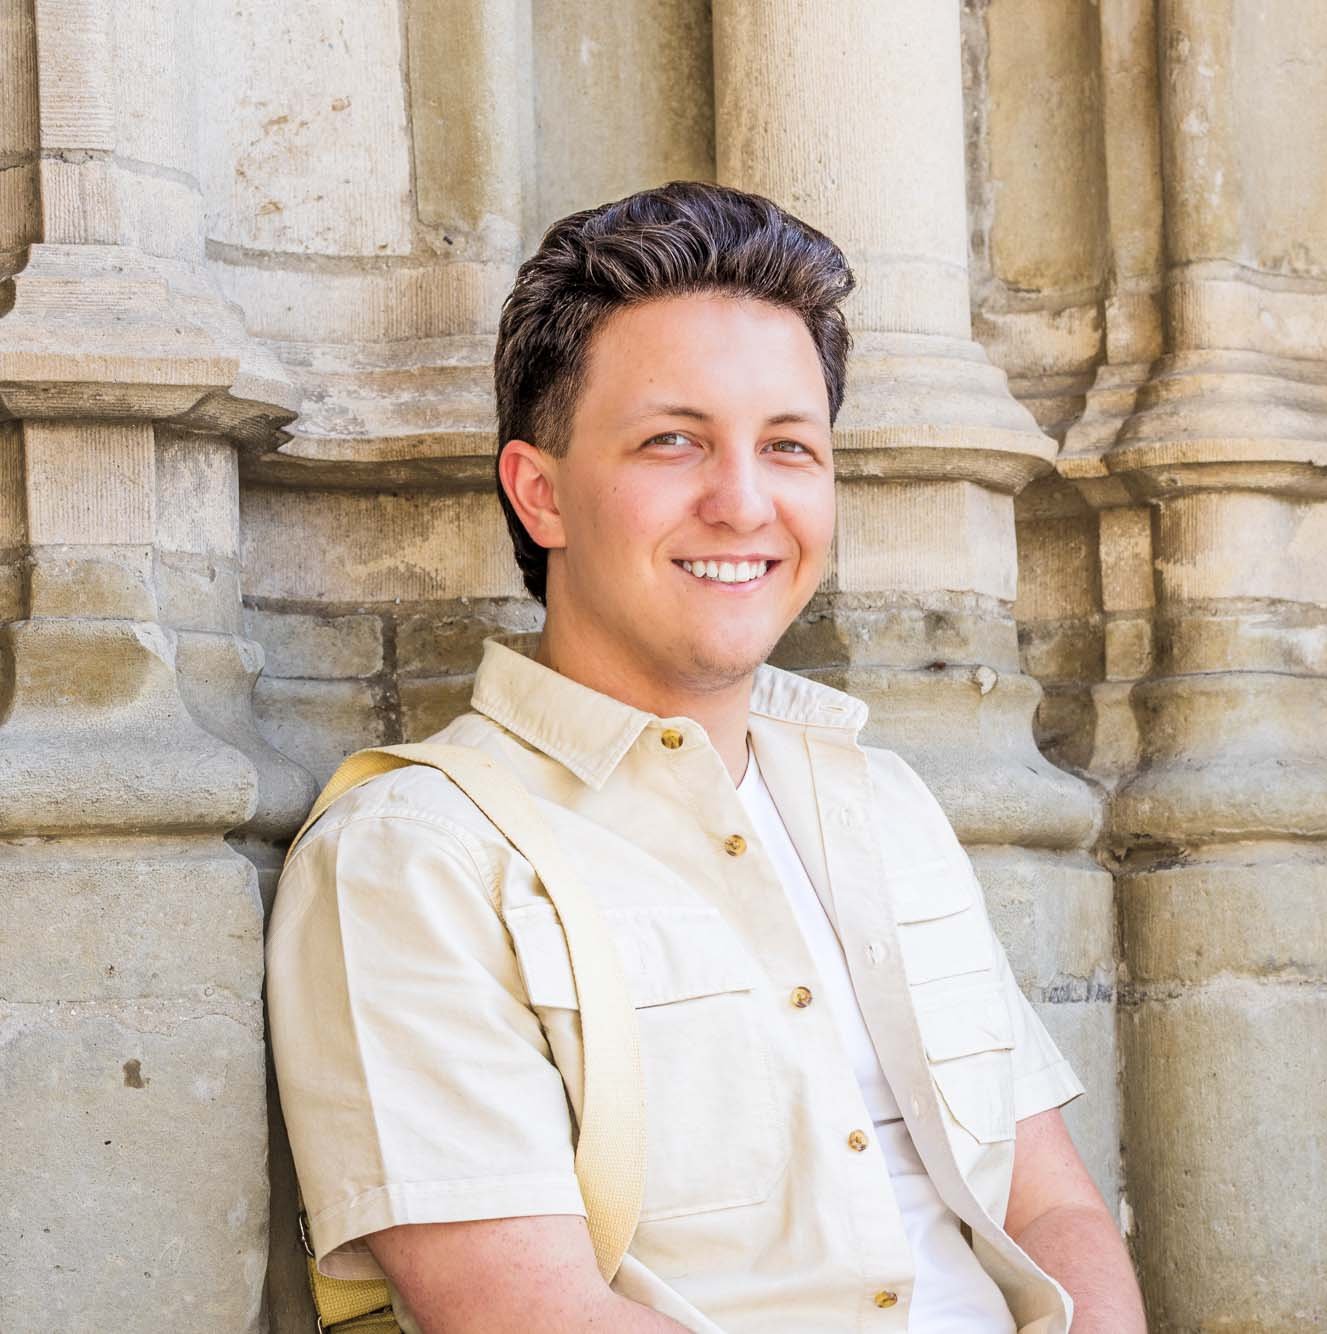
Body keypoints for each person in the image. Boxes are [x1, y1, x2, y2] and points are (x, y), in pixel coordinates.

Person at [265, 181, 1147, 1333]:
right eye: (672, 441)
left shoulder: (882, 803)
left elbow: (1051, 1205)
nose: (742, 502)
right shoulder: (411, 860)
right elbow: (519, 1314)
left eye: (788, 446)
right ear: (541, 494)